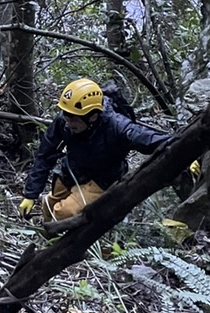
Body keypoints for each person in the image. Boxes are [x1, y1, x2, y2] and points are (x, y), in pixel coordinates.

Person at [19, 78, 172, 228]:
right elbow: (45, 155)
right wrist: (31, 194)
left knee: (63, 213)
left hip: (102, 180)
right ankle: (47, 235)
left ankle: (64, 239)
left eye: (74, 120)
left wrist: (181, 149)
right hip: (72, 171)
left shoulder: (117, 126)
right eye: (66, 116)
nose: (69, 123)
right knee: (48, 206)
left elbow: (150, 140)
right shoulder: (64, 120)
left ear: (92, 116)